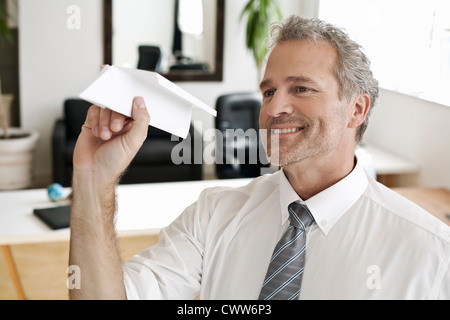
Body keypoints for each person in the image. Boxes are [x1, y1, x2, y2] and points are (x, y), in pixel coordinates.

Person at [69, 15, 449, 300]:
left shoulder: (431, 252)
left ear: (356, 109)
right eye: (268, 92)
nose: (274, 108)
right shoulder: (213, 216)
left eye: (300, 88)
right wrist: (92, 181)